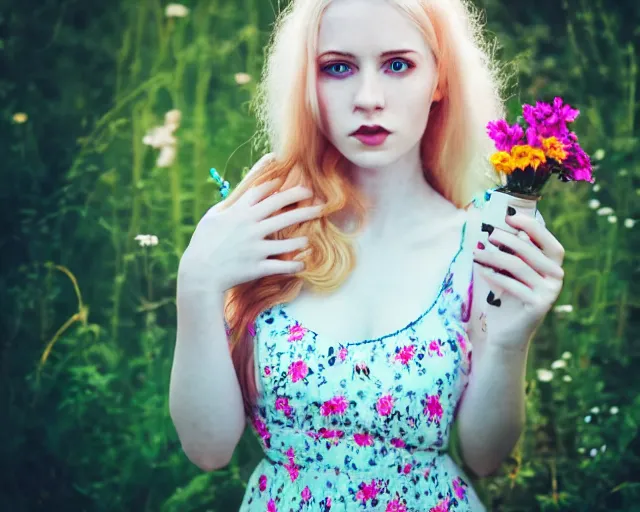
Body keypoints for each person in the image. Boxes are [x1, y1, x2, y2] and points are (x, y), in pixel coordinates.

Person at [169, 0, 566, 510]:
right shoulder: (265, 229)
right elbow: (208, 449)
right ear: (306, 85)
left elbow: (484, 456)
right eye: (337, 67)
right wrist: (197, 283)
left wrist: (511, 342)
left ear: (439, 81)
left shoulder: (478, 243)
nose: (368, 98)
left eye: (398, 65)